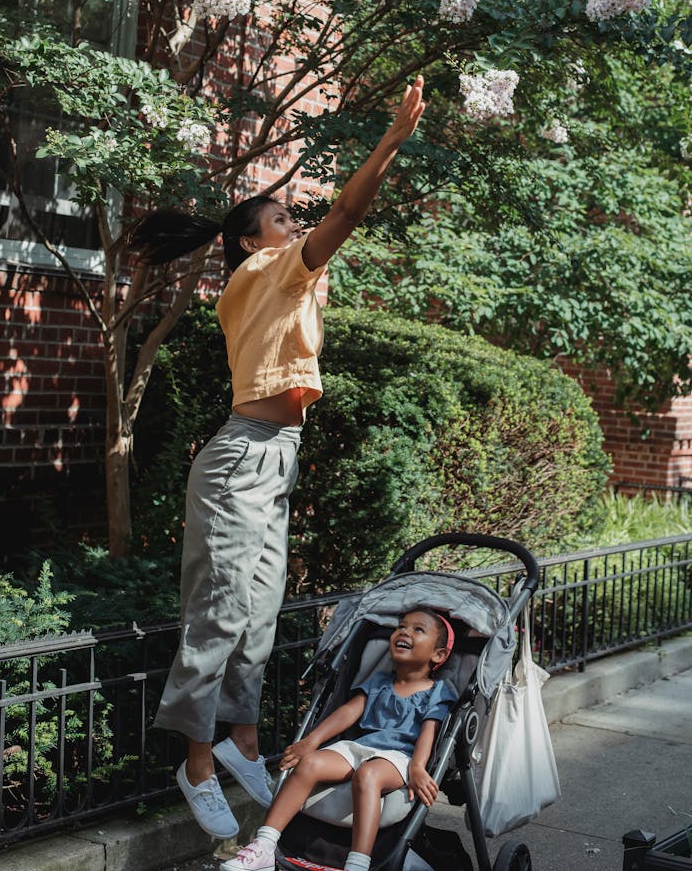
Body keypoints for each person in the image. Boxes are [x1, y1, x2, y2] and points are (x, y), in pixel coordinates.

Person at [136, 76, 427, 839]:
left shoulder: (289, 282)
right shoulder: (262, 271)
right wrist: (391, 140)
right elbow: (347, 213)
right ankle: (196, 762)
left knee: (258, 617)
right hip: (242, 459)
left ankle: (242, 742)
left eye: (292, 216)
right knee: (218, 613)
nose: (294, 223)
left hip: (277, 457)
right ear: (248, 239)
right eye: (281, 216)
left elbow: (329, 235)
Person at [221, 607, 457, 871]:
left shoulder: (437, 691)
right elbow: (348, 713)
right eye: (401, 626)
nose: (404, 632)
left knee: (368, 775)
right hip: (361, 746)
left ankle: (357, 864)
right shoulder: (379, 681)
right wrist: (310, 741)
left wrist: (417, 767)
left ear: (438, 654)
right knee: (309, 764)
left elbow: (429, 730)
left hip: (398, 757)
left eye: (418, 629)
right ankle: (265, 845)